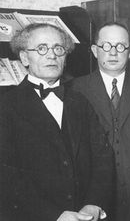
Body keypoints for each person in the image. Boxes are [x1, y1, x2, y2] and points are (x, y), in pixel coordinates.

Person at [0, 23, 114, 221]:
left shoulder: (80, 102)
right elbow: (6, 178)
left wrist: (94, 203)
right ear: (25, 57)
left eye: (58, 49)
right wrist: (54, 215)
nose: (51, 56)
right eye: (42, 48)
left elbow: (103, 158)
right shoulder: (7, 106)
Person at [71, 22, 130, 221]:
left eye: (121, 46)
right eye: (106, 46)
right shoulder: (73, 90)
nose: (113, 53)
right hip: (88, 204)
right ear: (94, 50)